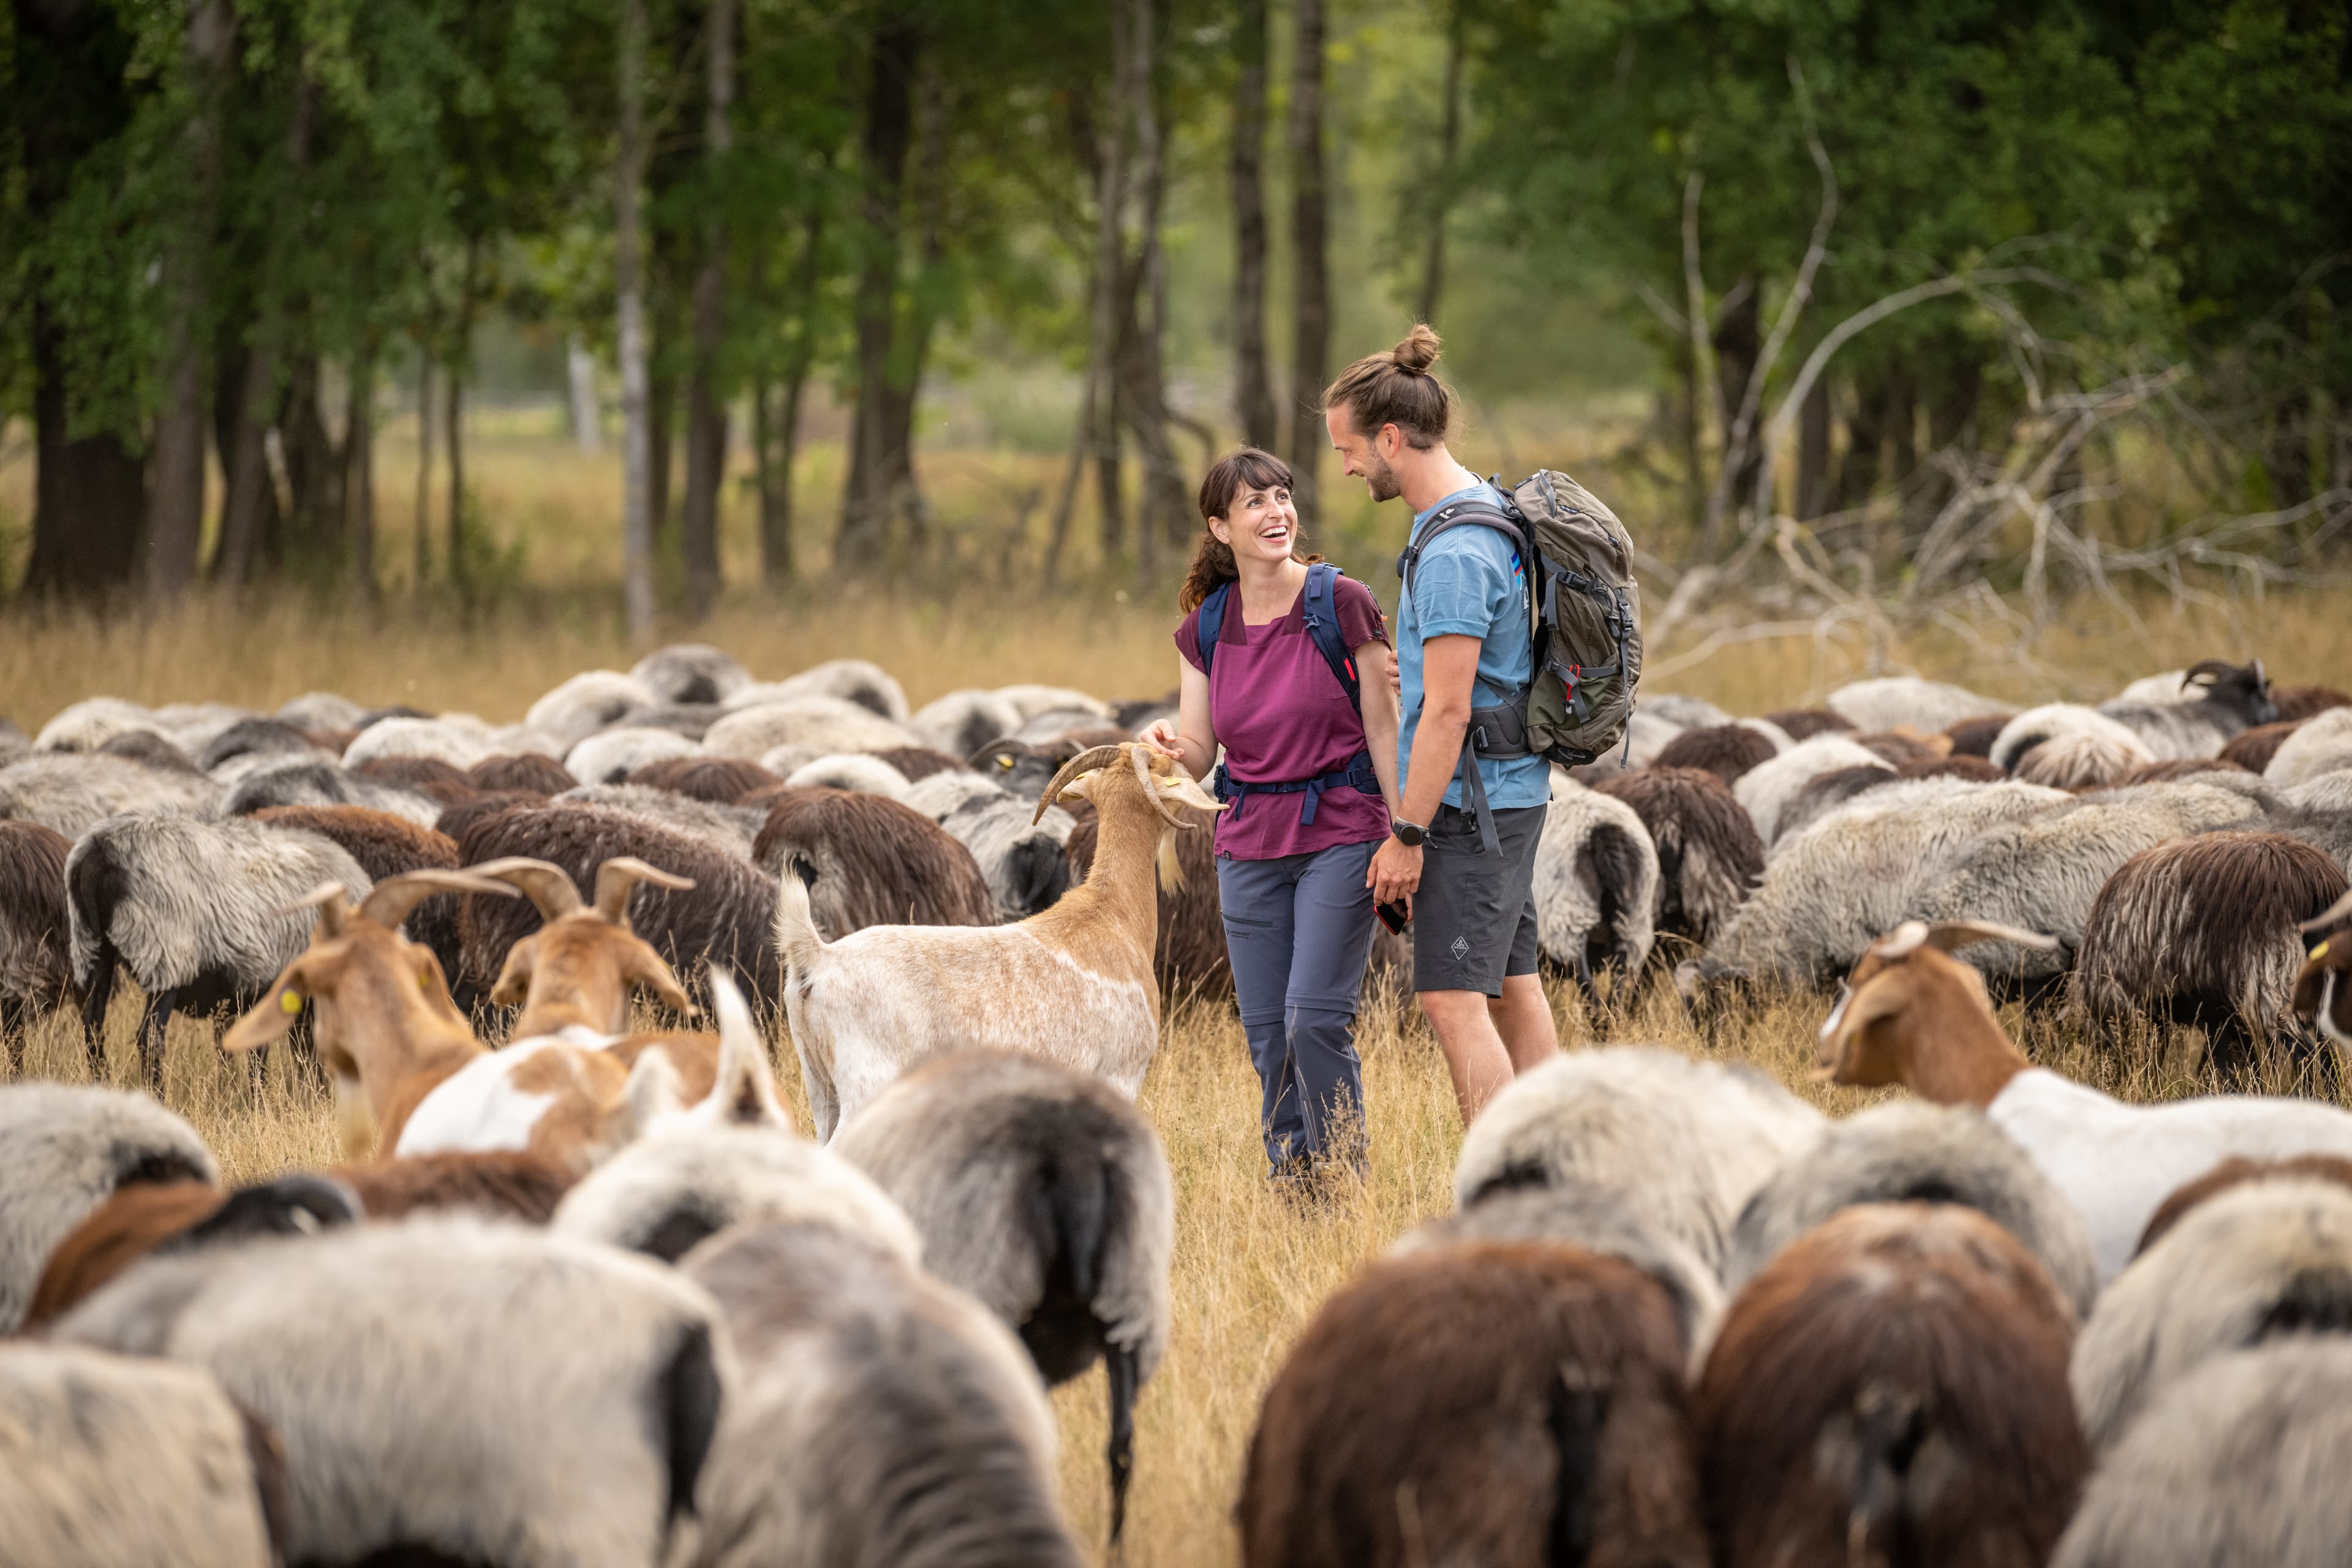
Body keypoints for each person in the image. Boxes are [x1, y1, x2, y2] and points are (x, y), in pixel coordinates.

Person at [1142, 448, 1402, 1180]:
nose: (1276, 512)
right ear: (1220, 528)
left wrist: (1407, 835)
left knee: (1314, 1020)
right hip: (1248, 843)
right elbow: (1200, 751)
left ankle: (1343, 1176)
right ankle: (1295, 1183)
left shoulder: (1341, 600)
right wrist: (1167, 749)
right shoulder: (1205, 626)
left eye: (1282, 496)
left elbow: (1385, 728)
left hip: (1342, 832)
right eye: (1254, 502)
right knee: (1267, 1035)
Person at [1324, 325, 1559, 1125]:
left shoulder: (1454, 552)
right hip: (1510, 791)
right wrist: (1417, 671)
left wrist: (1408, 836)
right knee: (1513, 987)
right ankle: (1554, 1161)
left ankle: (1506, 1175)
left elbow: (1450, 712)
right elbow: (1470, 673)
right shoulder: (1486, 508)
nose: (1347, 467)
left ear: (1391, 438)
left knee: (1452, 1001)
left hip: (1470, 807)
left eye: (1350, 449)